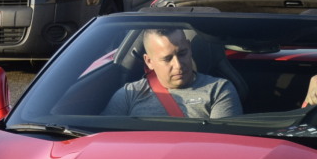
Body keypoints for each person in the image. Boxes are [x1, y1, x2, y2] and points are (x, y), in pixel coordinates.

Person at [103, 29, 242, 119]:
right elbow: (105, 142)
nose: (178, 65)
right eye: (167, 59)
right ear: (149, 61)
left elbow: (221, 149)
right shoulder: (129, 94)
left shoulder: (219, 90)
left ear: (189, 47)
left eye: (182, 53)